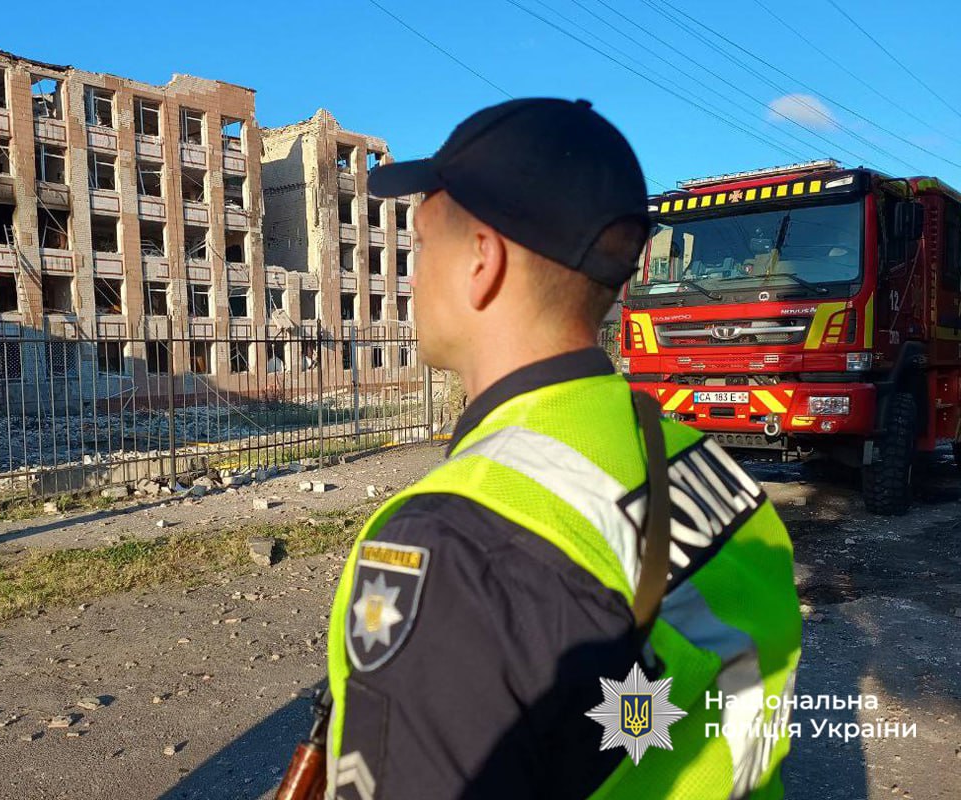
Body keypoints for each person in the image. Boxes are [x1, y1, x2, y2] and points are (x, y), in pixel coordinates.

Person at [322, 99, 803, 799]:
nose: (412, 278)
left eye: (422, 245)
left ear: (482, 261)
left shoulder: (457, 543)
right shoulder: (686, 452)